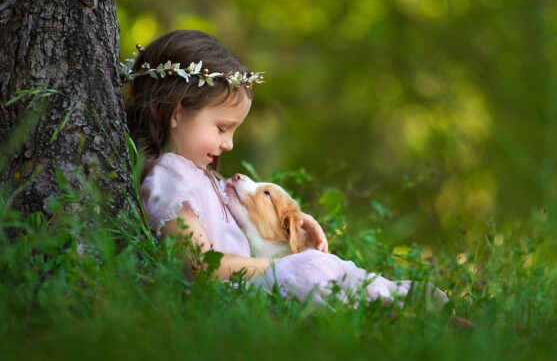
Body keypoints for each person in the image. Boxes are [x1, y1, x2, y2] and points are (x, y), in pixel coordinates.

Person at [124, 29, 447, 306]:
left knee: (324, 267)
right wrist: (280, 267)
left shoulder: (203, 177)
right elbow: (198, 265)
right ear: (176, 113)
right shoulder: (171, 178)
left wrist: (296, 222)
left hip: (246, 288)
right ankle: (389, 304)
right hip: (231, 295)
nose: (229, 145)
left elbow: (252, 211)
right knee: (314, 269)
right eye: (222, 128)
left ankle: (394, 298)